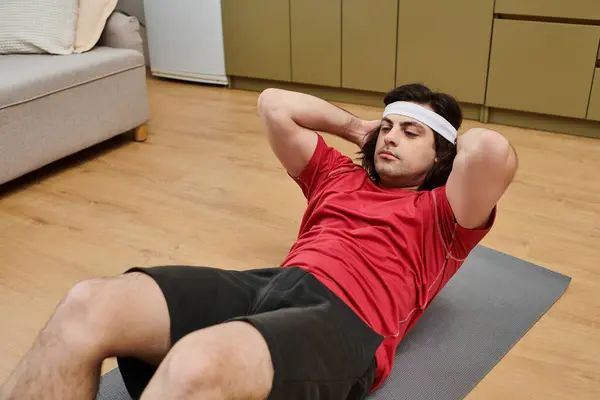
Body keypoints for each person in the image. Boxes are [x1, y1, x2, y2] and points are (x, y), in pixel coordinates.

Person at [0, 84, 518, 400]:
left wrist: (442, 135)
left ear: (443, 156)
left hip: (344, 323)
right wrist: (359, 127)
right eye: (388, 127)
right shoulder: (335, 177)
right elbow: (273, 105)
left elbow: (491, 150)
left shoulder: (443, 220)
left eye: (411, 133)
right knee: (86, 304)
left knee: (194, 362)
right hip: (267, 288)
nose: (391, 137)